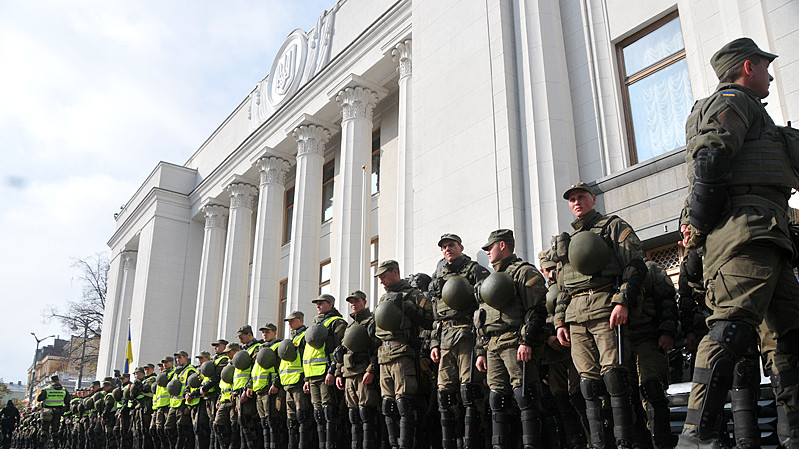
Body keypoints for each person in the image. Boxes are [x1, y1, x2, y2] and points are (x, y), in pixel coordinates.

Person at [677, 37, 799, 449]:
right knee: (730, 329)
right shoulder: (734, 100)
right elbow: (710, 159)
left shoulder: (754, 111)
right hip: (746, 232)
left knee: (788, 339)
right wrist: (700, 231)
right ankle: (697, 437)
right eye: (765, 67)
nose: (769, 76)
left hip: (769, 232)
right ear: (749, 67)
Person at [554, 182, 647, 449]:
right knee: (588, 384)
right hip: (576, 315)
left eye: (581, 197)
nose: (576, 202)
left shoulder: (612, 226)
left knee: (614, 377)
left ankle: (624, 442)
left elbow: (635, 264)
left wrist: (623, 301)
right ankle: (598, 443)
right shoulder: (568, 240)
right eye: (572, 199)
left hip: (605, 307)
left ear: (593, 199)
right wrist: (560, 321)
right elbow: (563, 286)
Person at [474, 230, 548, 449]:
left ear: (503, 245)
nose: (488, 252)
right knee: (497, 399)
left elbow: (536, 310)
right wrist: (481, 351)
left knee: (525, 395)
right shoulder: (490, 280)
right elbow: (483, 317)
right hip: (493, 345)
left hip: (515, 341)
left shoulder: (523, 272)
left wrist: (526, 341)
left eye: (490, 247)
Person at [427, 233, 490, 449]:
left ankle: (472, 443)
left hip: (466, 335)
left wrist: (481, 344)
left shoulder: (473, 270)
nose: (447, 249)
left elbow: (484, 306)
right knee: (444, 394)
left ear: (461, 247)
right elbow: (436, 314)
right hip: (445, 338)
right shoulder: (438, 276)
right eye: (444, 247)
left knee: (470, 391)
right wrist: (434, 343)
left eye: (451, 245)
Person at [374, 260, 433, 449]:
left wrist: (411, 311)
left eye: (384, 276)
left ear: (395, 272)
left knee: (404, 402)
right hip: (384, 354)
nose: (381, 281)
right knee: (388, 404)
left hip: (403, 352)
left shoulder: (413, 294)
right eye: (379, 277)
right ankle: (394, 444)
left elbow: (430, 318)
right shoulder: (383, 299)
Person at [538, 249, 587, 449]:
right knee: (560, 400)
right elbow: (536, 319)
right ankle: (571, 441)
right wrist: (547, 337)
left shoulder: (568, 285)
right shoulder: (541, 293)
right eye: (547, 269)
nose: (551, 273)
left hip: (573, 348)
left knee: (579, 394)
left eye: (554, 268)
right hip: (553, 355)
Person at [628, 260, 678, 449]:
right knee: (628, 396)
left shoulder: (650, 269)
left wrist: (667, 331)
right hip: (621, 341)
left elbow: (667, 301)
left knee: (652, 390)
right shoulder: (610, 267)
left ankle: (662, 443)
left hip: (648, 338)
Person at [333, 290, 381, 449]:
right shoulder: (350, 327)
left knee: (366, 412)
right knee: (353, 415)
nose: (353, 304)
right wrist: (338, 373)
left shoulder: (371, 322)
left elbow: (376, 348)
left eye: (357, 301)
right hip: (349, 374)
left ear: (364, 302)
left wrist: (371, 369)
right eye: (351, 302)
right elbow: (343, 351)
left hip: (363, 372)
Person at [303, 294, 347, 449]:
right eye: (317, 303)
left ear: (331, 304)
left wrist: (333, 371)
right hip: (312, 375)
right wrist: (306, 379)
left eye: (321, 303)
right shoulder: (314, 325)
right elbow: (308, 354)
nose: (318, 306)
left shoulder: (337, 322)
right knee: (318, 413)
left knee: (329, 412)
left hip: (326, 374)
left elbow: (339, 350)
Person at [278, 311, 311, 449]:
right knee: (291, 419)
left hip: (299, 381)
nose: (290, 323)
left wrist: (306, 379)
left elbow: (307, 358)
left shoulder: (305, 336)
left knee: (302, 415)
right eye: (288, 321)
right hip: (288, 384)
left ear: (301, 320)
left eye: (292, 320)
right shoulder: (292, 339)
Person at [253, 324, 284, 449]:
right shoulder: (260, 349)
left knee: (272, 422)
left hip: (270, 389)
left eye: (268, 332)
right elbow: (254, 370)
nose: (264, 334)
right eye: (263, 332)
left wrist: (276, 384)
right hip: (259, 389)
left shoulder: (278, 346)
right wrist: (250, 386)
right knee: (264, 422)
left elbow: (281, 367)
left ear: (275, 332)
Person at [166, 351, 197, 449]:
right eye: (176, 358)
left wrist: (188, 406)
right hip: (173, 404)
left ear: (185, 358)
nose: (177, 360)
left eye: (180, 357)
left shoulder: (190, 370)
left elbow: (191, 386)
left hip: (182, 404)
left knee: (182, 429)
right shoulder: (176, 372)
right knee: (168, 428)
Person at [203, 339, 228, 449]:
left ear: (224, 347)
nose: (215, 348)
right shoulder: (215, 359)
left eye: (218, 346)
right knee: (212, 424)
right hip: (209, 395)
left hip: (215, 393)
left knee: (216, 424)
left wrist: (205, 388)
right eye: (214, 346)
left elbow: (217, 377)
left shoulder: (224, 359)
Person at [37, 375, 71, 449]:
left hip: (47, 411)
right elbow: (67, 401)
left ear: (51, 381)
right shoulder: (64, 390)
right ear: (58, 380)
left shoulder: (47, 389)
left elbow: (39, 399)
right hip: (58, 411)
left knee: (44, 429)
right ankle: (55, 445)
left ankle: (41, 445)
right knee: (55, 430)